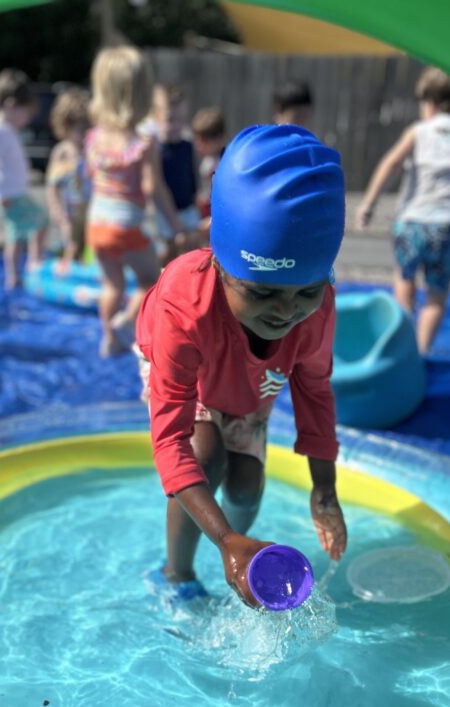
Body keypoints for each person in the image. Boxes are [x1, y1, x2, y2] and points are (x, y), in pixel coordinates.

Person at [136, 124, 347, 607]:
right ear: (220, 264)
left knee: (248, 489)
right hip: (189, 365)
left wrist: (325, 490)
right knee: (205, 457)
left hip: (245, 383)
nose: (285, 311)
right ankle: (178, 572)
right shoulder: (182, 307)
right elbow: (170, 442)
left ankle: (235, 555)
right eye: (262, 292)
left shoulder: (317, 312)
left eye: (306, 291)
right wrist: (224, 538)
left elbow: (314, 391)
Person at [355, 67, 450, 354]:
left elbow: (391, 164)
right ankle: (421, 352)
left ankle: (403, 336)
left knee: (405, 275)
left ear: (431, 103)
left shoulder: (420, 132)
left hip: (411, 222)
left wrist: (369, 204)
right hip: (448, 228)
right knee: (437, 293)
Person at [86, 47, 185, 357]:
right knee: (151, 281)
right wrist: (176, 225)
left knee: (113, 285)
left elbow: (92, 176)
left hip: (97, 223)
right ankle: (125, 322)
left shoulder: (94, 137)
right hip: (125, 225)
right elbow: (152, 187)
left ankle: (108, 339)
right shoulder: (142, 142)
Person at [0, 68, 48, 290]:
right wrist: (0, 194)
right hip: (11, 196)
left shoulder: (5, 128)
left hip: (14, 193)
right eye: (25, 113)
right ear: (10, 105)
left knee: (16, 236)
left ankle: (14, 276)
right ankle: (34, 265)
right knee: (42, 222)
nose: (27, 119)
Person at [151, 83, 203, 263]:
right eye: (169, 119)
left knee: (192, 247)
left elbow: (191, 174)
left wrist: (196, 197)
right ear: (156, 119)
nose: (176, 125)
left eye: (180, 119)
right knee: (168, 250)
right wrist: (174, 222)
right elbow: (156, 186)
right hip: (165, 212)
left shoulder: (187, 146)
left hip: (187, 207)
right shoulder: (156, 149)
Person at [44, 87, 92, 264]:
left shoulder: (91, 151)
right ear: (65, 126)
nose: (84, 133)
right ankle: (68, 270)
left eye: (87, 126)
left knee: (90, 245)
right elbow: (52, 185)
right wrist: (56, 210)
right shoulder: (62, 152)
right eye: (79, 128)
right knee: (71, 243)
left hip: (89, 207)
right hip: (69, 210)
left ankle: (86, 270)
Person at [191, 106, 226, 219]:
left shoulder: (226, 163)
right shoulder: (207, 161)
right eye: (197, 139)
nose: (199, 145)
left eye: (205, 140)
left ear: (220, 139)